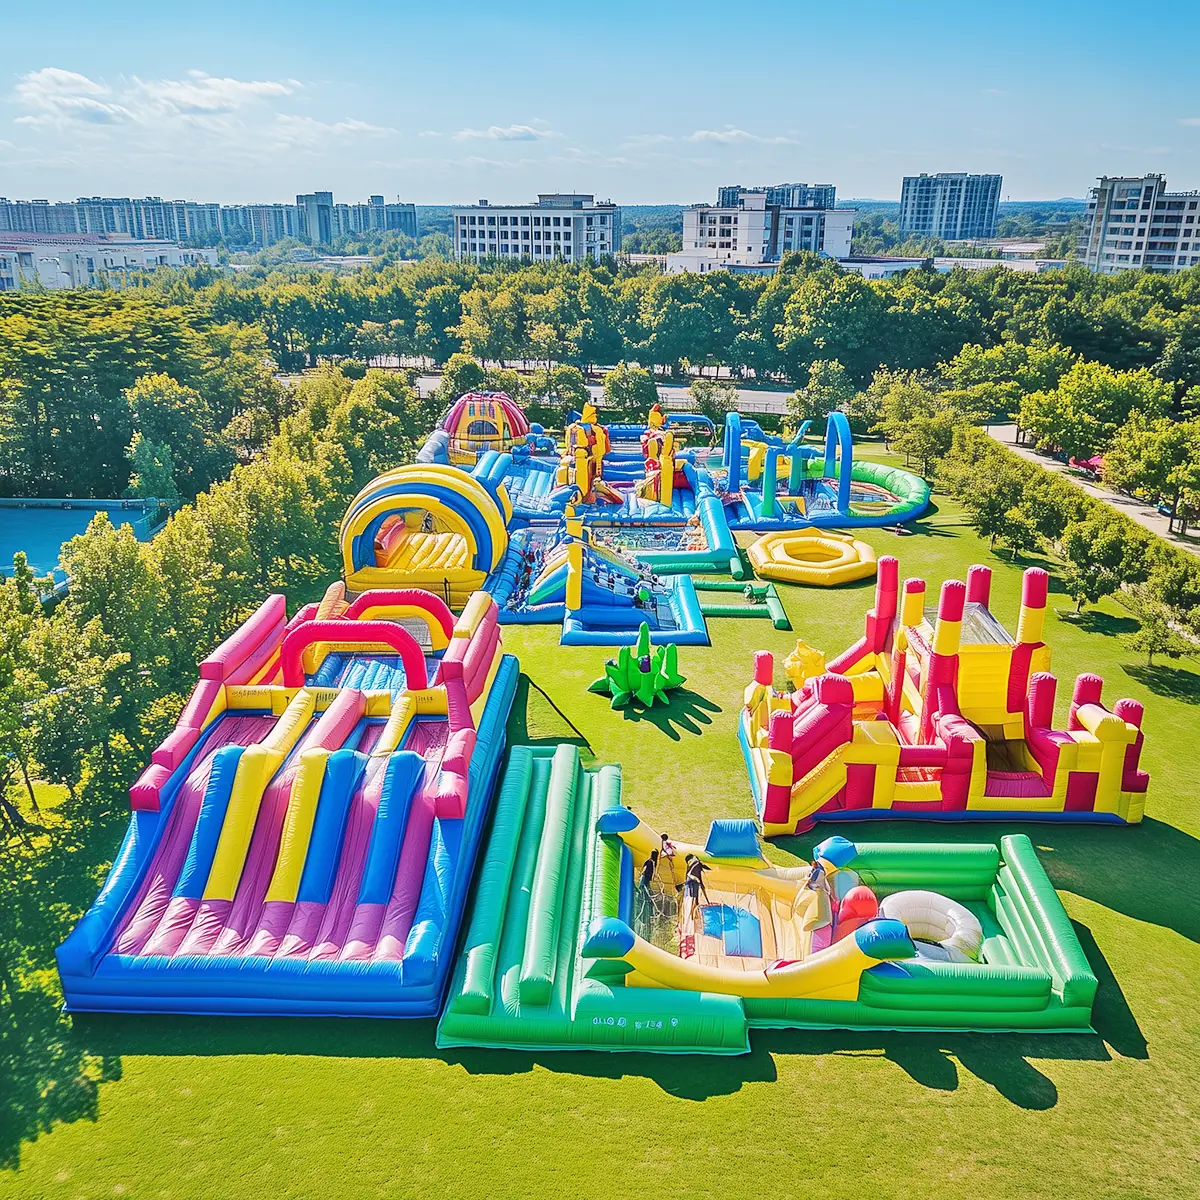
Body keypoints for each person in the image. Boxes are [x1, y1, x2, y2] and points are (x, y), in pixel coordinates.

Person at [678, 853, 713, 938]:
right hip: (692, 888)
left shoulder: (695, 865)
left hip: (691, 889)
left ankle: (691, 927)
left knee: (692, 906)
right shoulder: (696, 865)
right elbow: (696, 877)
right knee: (692, 906)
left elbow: (696, 877)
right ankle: (691, 927)